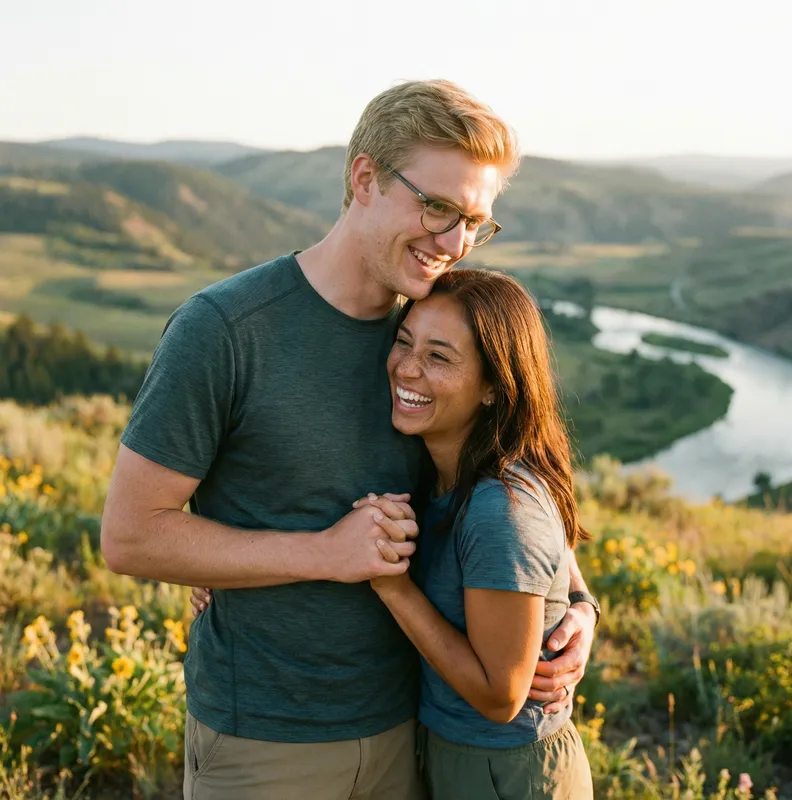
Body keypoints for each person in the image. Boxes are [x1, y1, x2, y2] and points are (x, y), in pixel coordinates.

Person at [101, 79, 599, 800]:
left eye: (474, 222)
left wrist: (577, 606)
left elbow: (509, 485)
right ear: (364, 177)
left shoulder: (435, 339)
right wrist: (322, 552)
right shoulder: (225, 331)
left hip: (414, 734)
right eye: (436, 206)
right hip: (266, 740)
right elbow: (130, 537)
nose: (453, 242)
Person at [194, 268, 595, 798]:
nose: (407, 368)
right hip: (447, 750)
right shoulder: (445, 464)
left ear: (495, 388)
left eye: (439, 357)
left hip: (505, 770)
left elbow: (503, 698)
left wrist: (389, 582)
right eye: (403, 342)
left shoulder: (500, 506)